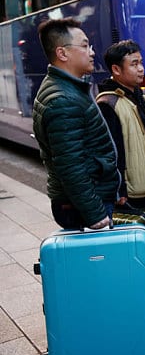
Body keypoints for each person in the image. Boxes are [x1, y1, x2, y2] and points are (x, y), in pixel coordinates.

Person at [32, 17, 119, 230]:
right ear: (62, 53)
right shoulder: (63, 100)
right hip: (84, 207)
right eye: (84, 45)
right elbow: (70, 166)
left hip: (83, 201)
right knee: (97, 262)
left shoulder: (66, 88)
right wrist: (95, 214)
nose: (91, 52)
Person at [96, 40, 145, 226]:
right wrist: (119, 191)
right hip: (132, 192)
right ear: (116, 70)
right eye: (134, 64)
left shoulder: (141, 96)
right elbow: (111, 152)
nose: (141, 69)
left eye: (141, 62)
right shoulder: (108, 103)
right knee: (141, 244)